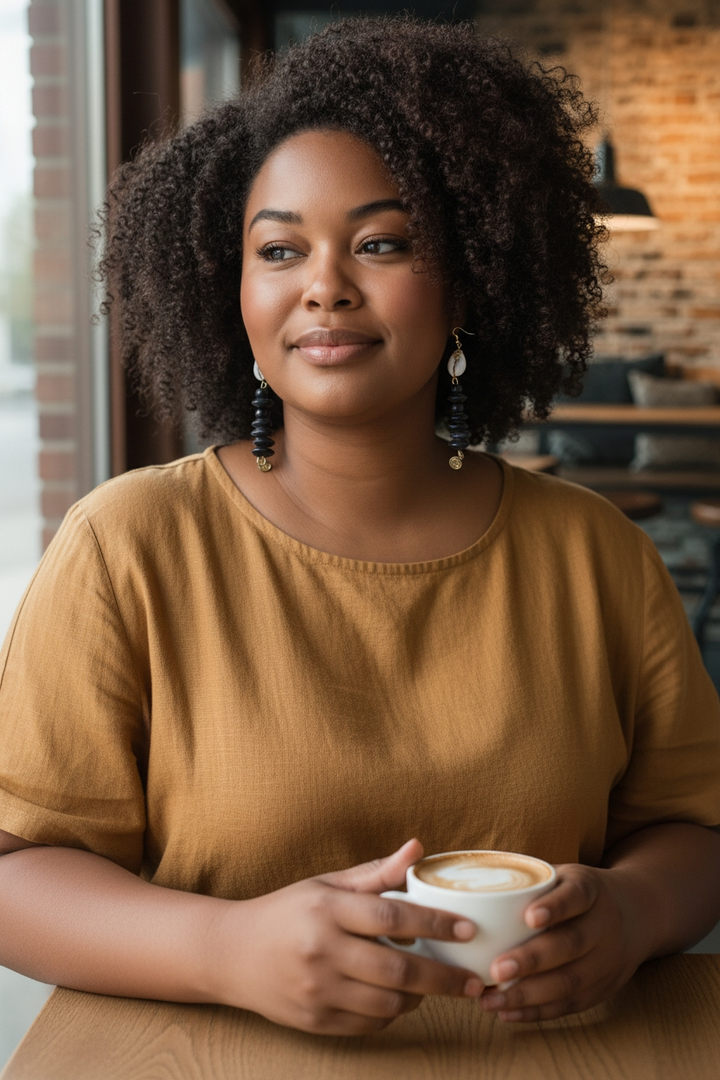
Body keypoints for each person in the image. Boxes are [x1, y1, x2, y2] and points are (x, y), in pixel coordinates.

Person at [1, 16, 719, 1037]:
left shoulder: (596, 556)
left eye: (382, 242)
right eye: (280, 248)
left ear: (471, 280)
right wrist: (226, 949)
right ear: (232, 290)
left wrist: (638, 911)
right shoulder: (127, 547)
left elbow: (694, 828)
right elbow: (16, 872)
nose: (325, 284)